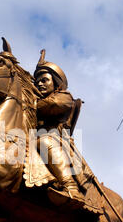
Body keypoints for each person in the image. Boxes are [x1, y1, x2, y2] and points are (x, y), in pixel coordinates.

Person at [34, 50, 87, 209]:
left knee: (44, 141)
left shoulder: (65, 98)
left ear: (56, 83)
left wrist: (30, 101)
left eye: (44, 80)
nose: (40, 84)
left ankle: (70, 186)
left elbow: (51, 105)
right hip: (30, 138)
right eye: (37, 82)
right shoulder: (35, 101)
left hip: (55, 140)